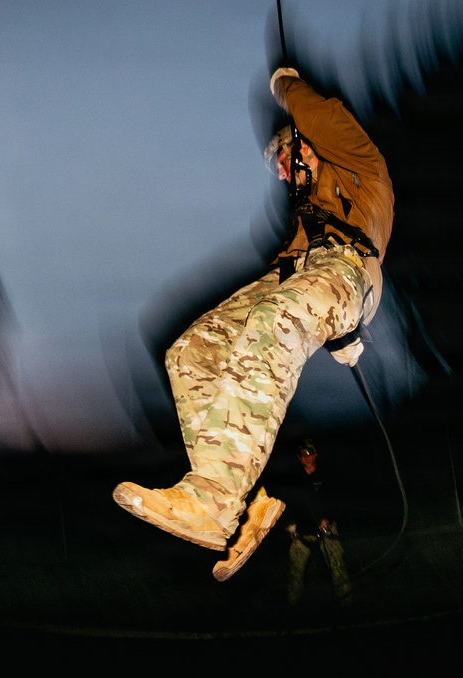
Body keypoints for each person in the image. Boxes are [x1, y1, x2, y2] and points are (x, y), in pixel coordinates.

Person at [113, 67, 394, 580]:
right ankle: (247, 502)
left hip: (348, 269)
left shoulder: (361, 166)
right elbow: (304, 295)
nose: (282, 175)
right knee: (190, 352)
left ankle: (214, 500)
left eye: (285, 159)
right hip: (295, 277)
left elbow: (324, 116)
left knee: (274, 320)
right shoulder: (302, 227)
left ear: (306, 145)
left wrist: (285, 85)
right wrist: (340, 333)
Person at [284, 439, 352, 606]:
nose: (306, 457)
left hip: (326, 529)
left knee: (338, 567)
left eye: (309, 454)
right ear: (299, 458)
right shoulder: (294, 478)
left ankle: (347, 603)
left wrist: (327, 518)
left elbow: (338, 500)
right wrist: (289, 525)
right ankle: (291, 608)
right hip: (301, 532)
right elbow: (285, 504)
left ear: (315, 455)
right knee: (295, 572)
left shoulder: (327, 475)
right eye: (302, 455)